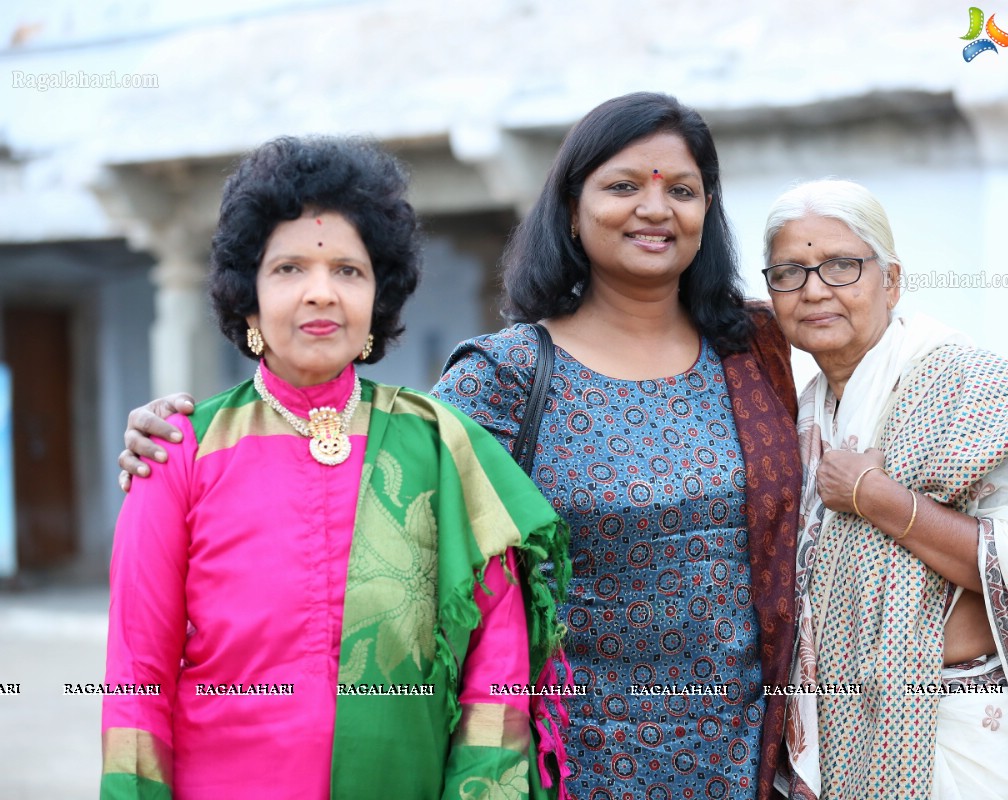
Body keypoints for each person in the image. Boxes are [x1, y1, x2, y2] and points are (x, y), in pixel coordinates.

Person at [119, 93, 804, 800]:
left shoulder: (754, 351)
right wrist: (176, 444)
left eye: (682, 191)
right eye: (624, 186)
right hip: (579, 761)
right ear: (571, 208)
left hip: (737, 750)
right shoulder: (498, 380)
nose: (655, 209)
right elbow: (140, 667)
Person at [102, 135, 568, 800]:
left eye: (348, 271)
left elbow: (497, 667)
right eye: (289, 269)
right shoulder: (180, 452)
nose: (321, 293)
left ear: (378, 297)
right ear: (249, 299)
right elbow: (135, 676)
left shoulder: (441, 448)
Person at [760, 179, 1008, 800]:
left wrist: (881, 499)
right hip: (846, 727)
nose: (814, 289)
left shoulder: (970, 388)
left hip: (955, 726)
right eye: (789, 272)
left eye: (841, 266)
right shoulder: (799, 414)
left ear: (890, 280)